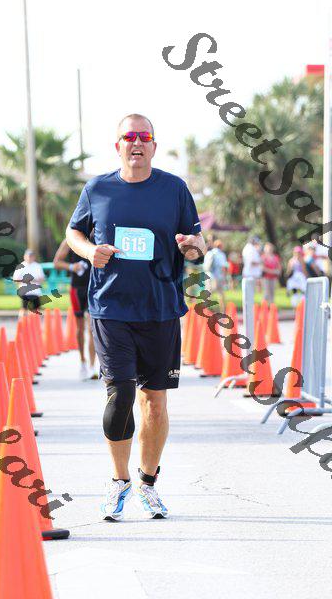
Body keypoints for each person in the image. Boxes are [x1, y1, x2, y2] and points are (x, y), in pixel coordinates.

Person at [65, 113, 206, 520]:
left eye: (144, 136)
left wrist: (191, 247)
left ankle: (148, 483)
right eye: (129, 136)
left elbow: (198, 244)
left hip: (160, 309)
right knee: (121, 393)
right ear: (118, 146)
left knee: (154, 402)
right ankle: (118, 480)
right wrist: (90, 251)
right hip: (110, 308)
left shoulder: (174, 189)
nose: (137, 142)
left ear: (154, 146)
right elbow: (74, 233)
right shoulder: (97, 188)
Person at [53, 239, 97, 380]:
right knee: (80, 328)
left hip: (93, 288)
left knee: (92, 328)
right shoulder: (70, 239)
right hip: (77, 289)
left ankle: (92, 366)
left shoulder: (97, 236)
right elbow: (57, 262)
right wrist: (72, 267)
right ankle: (83, 362)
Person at [12, 249, 46, 317]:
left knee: (36, 309)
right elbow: (15, 279)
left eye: (31, 256)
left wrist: (33, 280)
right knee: (24, 309)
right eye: (28, 256)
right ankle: (22, 321)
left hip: (35, 291)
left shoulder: (38, 266)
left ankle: (35, 322)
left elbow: (42, 279)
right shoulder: (20, 266)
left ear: (34, 257)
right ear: (24, 256)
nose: (29, 258)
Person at [203, 239, 228, 312]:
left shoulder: (209, 253)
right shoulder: (221, 254)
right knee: (221, 294)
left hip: (209, 276)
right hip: (218, 277)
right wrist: (225, 277)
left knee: (208, 294)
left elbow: (205, 266)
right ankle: (223, 310)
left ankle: (206, 310)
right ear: (221, 246)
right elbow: (223, 267)